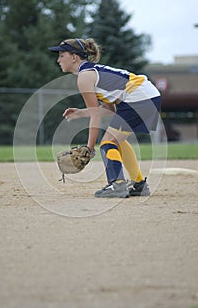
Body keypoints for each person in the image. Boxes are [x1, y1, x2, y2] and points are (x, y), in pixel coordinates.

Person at [49, 38, 161, 198]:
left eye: (61, 55)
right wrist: (81, 112)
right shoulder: (90, 72)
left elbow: (95, 116)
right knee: (117, 141)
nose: (58, 60)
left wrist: (89, 148)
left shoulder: (85, 76)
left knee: (108, 143)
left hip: (139, 97)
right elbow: (109, 109)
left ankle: (117, 184)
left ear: (74, 57)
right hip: (147, 95)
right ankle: (139, 184)